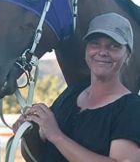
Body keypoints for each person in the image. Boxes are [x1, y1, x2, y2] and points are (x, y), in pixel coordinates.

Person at [13, 12, 140, 161]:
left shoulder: (131, 108)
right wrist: (28, 132)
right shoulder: (72, 94)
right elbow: (41, 151)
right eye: (95, 44)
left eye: (114, 46)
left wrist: (56, 136)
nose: (103, 52)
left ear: (128, 55)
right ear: (86, 50)